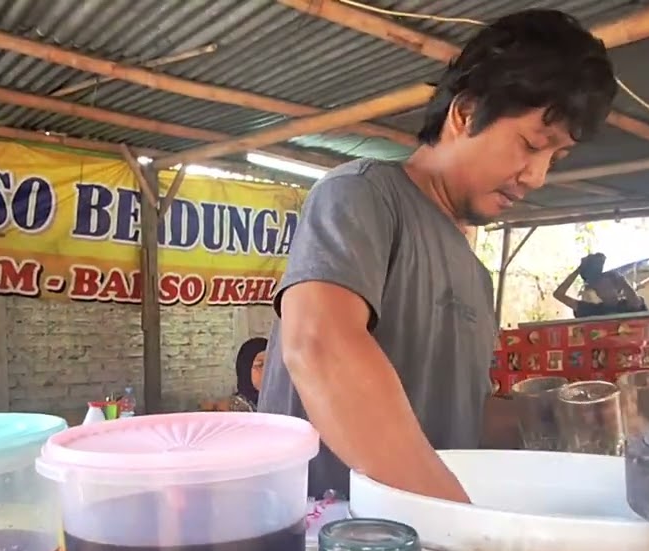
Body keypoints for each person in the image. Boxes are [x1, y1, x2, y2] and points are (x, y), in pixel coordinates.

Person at [258, 10, 616, 502]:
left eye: (554, 159)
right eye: (532, 145)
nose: (536, 176)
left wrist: (558, 419)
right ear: (466, 113)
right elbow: (320, 346)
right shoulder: (363, 195)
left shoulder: (477, 275)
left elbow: (461, 415)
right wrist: (453, 514)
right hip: (323, 543)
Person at [553, 253, 647, 317]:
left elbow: (635, 301)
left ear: (617, 288)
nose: (603, 291)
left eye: (607, 287)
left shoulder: (627, 306)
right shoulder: (593, 310)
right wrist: (579, 270)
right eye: (599, 288)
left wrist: (621, 280)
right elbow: (558, 295)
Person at [228, 337, 267, 411]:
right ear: (246, 371)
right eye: (260, 365)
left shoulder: (280, 403)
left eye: (271, 364)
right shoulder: (235, 412)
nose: (267, 370)